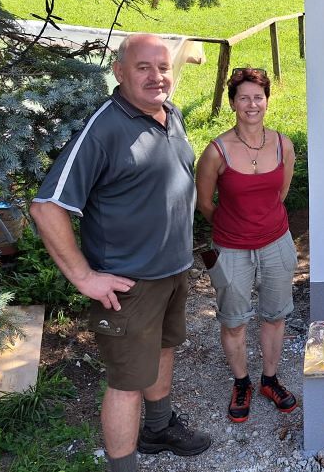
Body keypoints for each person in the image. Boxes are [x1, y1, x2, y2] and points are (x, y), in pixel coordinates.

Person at [30, 34, 210, 472]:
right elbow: (47, 207)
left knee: (164, 349)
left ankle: (159, 428)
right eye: (143, 67)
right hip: (129, 284)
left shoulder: (170, 114)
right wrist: (84, 277)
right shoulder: (105, 128)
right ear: (119, 72)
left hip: (173, 271)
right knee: (126, 383)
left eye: (162, 67)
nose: (156, 77)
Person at [196, 67, 298, 423]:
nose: (252, 104)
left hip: (276, 244)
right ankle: (242, 383)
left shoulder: (283, 144)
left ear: (267, 101)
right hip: (231, 249)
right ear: (233, 103)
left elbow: (280, 194)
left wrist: (261, 223)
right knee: (234, 321)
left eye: (258, 97)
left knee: (275, 315)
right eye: (244, 98)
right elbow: (204, 203)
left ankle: (270, 379)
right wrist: (236, 227)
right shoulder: (216, 152)